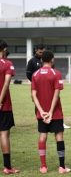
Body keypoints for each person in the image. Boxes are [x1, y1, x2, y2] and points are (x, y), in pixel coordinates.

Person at [31, 50, 71, 174]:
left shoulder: (35, 74)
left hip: (41, 113)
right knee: (59, 136)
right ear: (52, 60)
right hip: (56, 112)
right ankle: (62, 167)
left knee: (43, 136)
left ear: (41, 60)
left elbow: (33, 95)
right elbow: (56, 93)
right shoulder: (56, 73)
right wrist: (50, 112)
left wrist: (42, 111)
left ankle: (43, 167)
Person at [26, 44, 70, 129]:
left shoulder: (50, 64)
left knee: (55, 100)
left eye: (43, 52)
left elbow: (52, 72)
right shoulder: (32, 61)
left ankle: (58, 121)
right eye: (40, 52)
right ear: (36, 50)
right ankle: (41, 120)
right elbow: (28, 74)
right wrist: (36, 81)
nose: (42, 53)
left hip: (50, 86)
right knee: (38, 102)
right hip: (37, 86)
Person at [0, 40, 20, 174]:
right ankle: (7, 167)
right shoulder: (7, 64)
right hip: (4, 105)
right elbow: (6, 84)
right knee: (4, 134)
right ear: (4, 49)